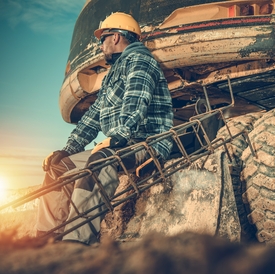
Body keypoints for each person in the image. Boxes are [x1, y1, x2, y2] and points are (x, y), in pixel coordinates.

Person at [37, 12, 173, 245]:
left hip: (144, 142)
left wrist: (118, 136)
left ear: (117, 37)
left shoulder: (140, 61)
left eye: (103, 38)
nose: (100, 45)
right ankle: (47, 242)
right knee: (57, 168)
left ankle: (75, 245)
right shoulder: (113, 75)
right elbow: (93, 116)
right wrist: (68, 149)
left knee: (100, 162)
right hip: (122, 142)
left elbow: (136, 101)